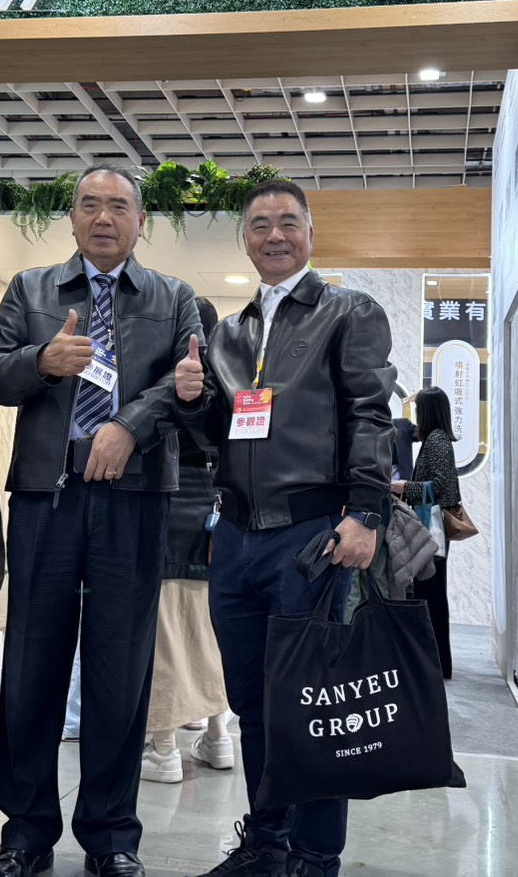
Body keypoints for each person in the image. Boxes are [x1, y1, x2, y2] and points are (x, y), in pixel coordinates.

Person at [0, 165, 203, 877]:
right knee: (30, 664)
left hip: (134, 498)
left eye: (119, 206)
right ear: (71, 219)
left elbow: (191, 381)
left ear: (142, 221)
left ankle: (111, 837)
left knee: (120, 669)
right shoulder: (31, 289)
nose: (104, 217)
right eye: (90, 205)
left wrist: (131, 424)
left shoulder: (174, 298)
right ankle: (24, 832)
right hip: (46, 496)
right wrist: (41, 361)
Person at [174, 179, 395, 877]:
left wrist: (366, 512)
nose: (274, 235)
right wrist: (192, 401)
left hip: (311, 535)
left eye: (288, 222)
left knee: (314, 703)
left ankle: (314, 856)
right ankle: (266, 842)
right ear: (245, 238)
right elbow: (216, 436)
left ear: (309, 233)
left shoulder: (348, 312)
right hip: (236, 537)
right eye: (260, 224)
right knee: (252, 703)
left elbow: (370, 413)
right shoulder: (229, 332)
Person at [141, 296, 233, 786]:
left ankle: (163, 750)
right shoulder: (229, 375)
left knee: (165, 636)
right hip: (216, 516)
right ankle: (219, 737)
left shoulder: (172, 375)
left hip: (166, 508)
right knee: (208, 631)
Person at [392, 387, 461, 680]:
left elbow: (442, 489)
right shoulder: (437, 440)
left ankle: (437, 663)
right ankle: (436, 662)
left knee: (429, 594)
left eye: (420, 410)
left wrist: (405, 487)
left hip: (431, 528)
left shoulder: (436, 441)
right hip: (433, 528)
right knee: (431, 593)